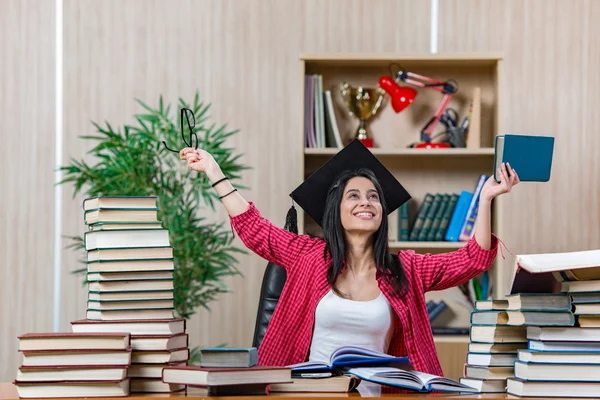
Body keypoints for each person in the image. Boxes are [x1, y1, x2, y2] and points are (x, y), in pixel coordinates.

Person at [180, 139, 519, 378]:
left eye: (374, 197)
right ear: (336, 211)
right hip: (309, 393)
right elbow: (255, 229)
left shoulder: (407, 269)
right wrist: (213, 171)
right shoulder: (308, 255)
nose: (366, 202)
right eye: (353, 196)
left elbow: (473, 260)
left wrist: (487, 198)